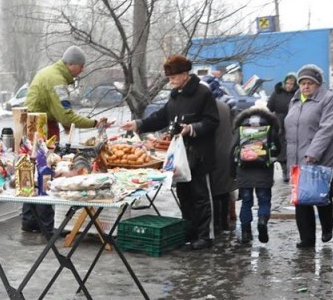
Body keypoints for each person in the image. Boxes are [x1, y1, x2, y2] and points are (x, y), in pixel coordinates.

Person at [121, 55, 220, 250]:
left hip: (199, 154)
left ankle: (205, 236)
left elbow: (212, 121)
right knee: (184, 195)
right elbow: (160, 117)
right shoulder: (175, 96)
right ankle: (189, 232)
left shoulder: (203, 93)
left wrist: (191, 128)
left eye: (174, 77)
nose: (171, 81)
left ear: (185, 75)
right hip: (180, 156)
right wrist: (138, 124)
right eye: (169, 78)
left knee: (200, 196)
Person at [20, 46, 108, 234]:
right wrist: (94, 122)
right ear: (72, 65)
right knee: (47, 173)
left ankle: (29, 220)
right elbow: (66, 116)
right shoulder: (57, 80)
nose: (82, 70)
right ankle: (45, 223)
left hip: (32, 126)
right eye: (81, 66)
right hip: (41, 128)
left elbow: (55, 109)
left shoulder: (50, 73)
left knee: (33, 172)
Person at [284, 64, 333, 249]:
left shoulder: (329, 99)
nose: (306, 87)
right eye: (303, 83)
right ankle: (306, 239)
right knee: (301, 201)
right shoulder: (295, 101)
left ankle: (327, 227)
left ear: (318, 85)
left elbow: (327, 128)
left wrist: (313, 153)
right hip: (297, 160)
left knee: (322, 197)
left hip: (320, 158)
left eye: (310, 83)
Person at [230, 107, 281, 244]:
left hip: (244, 171)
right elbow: (278, 147)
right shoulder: (270, 127)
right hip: (264, 171)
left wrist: (232, 172)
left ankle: (246, 233)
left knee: (246, 202)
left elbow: (231, 149)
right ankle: (262, 221)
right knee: (264, 201)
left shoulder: (241, 128)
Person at [210, 99, 236, 235]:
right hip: (227, 150)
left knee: (214, 191)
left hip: (215, 153)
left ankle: (217, 225)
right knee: (225, 190)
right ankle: (225, 223)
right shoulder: (223, 105)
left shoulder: (209, 106)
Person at [266, 72, 297, 182]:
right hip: (279, 123)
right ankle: (284, 170)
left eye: (291, 84)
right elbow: (269, 107)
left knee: (292, 146)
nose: (289, 85)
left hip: (293, 122)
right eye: (287, 83)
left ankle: (292, 170)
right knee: (281, 147)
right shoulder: (277, 92)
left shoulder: (297, 94)